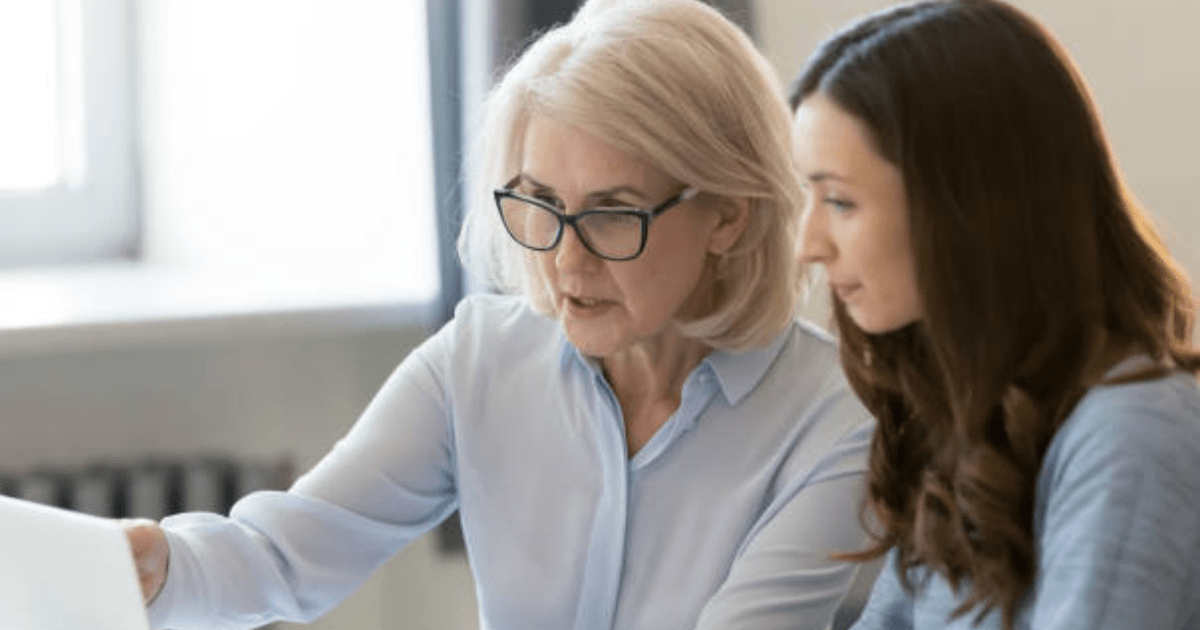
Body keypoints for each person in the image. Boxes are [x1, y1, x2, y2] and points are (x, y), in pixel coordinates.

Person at [123, 1, 876, 629]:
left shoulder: (837, 422)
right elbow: (285, 553)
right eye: (542, 204)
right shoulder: (479, 361)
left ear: (729, 218)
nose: (566, 264)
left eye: (613, 214)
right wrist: (160, 565)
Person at [789, 0, 1200, 628]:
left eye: (841, 200)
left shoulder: (1133, 432)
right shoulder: (977, 426)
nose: (808, 244)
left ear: (964, 208)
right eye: (808, 198)